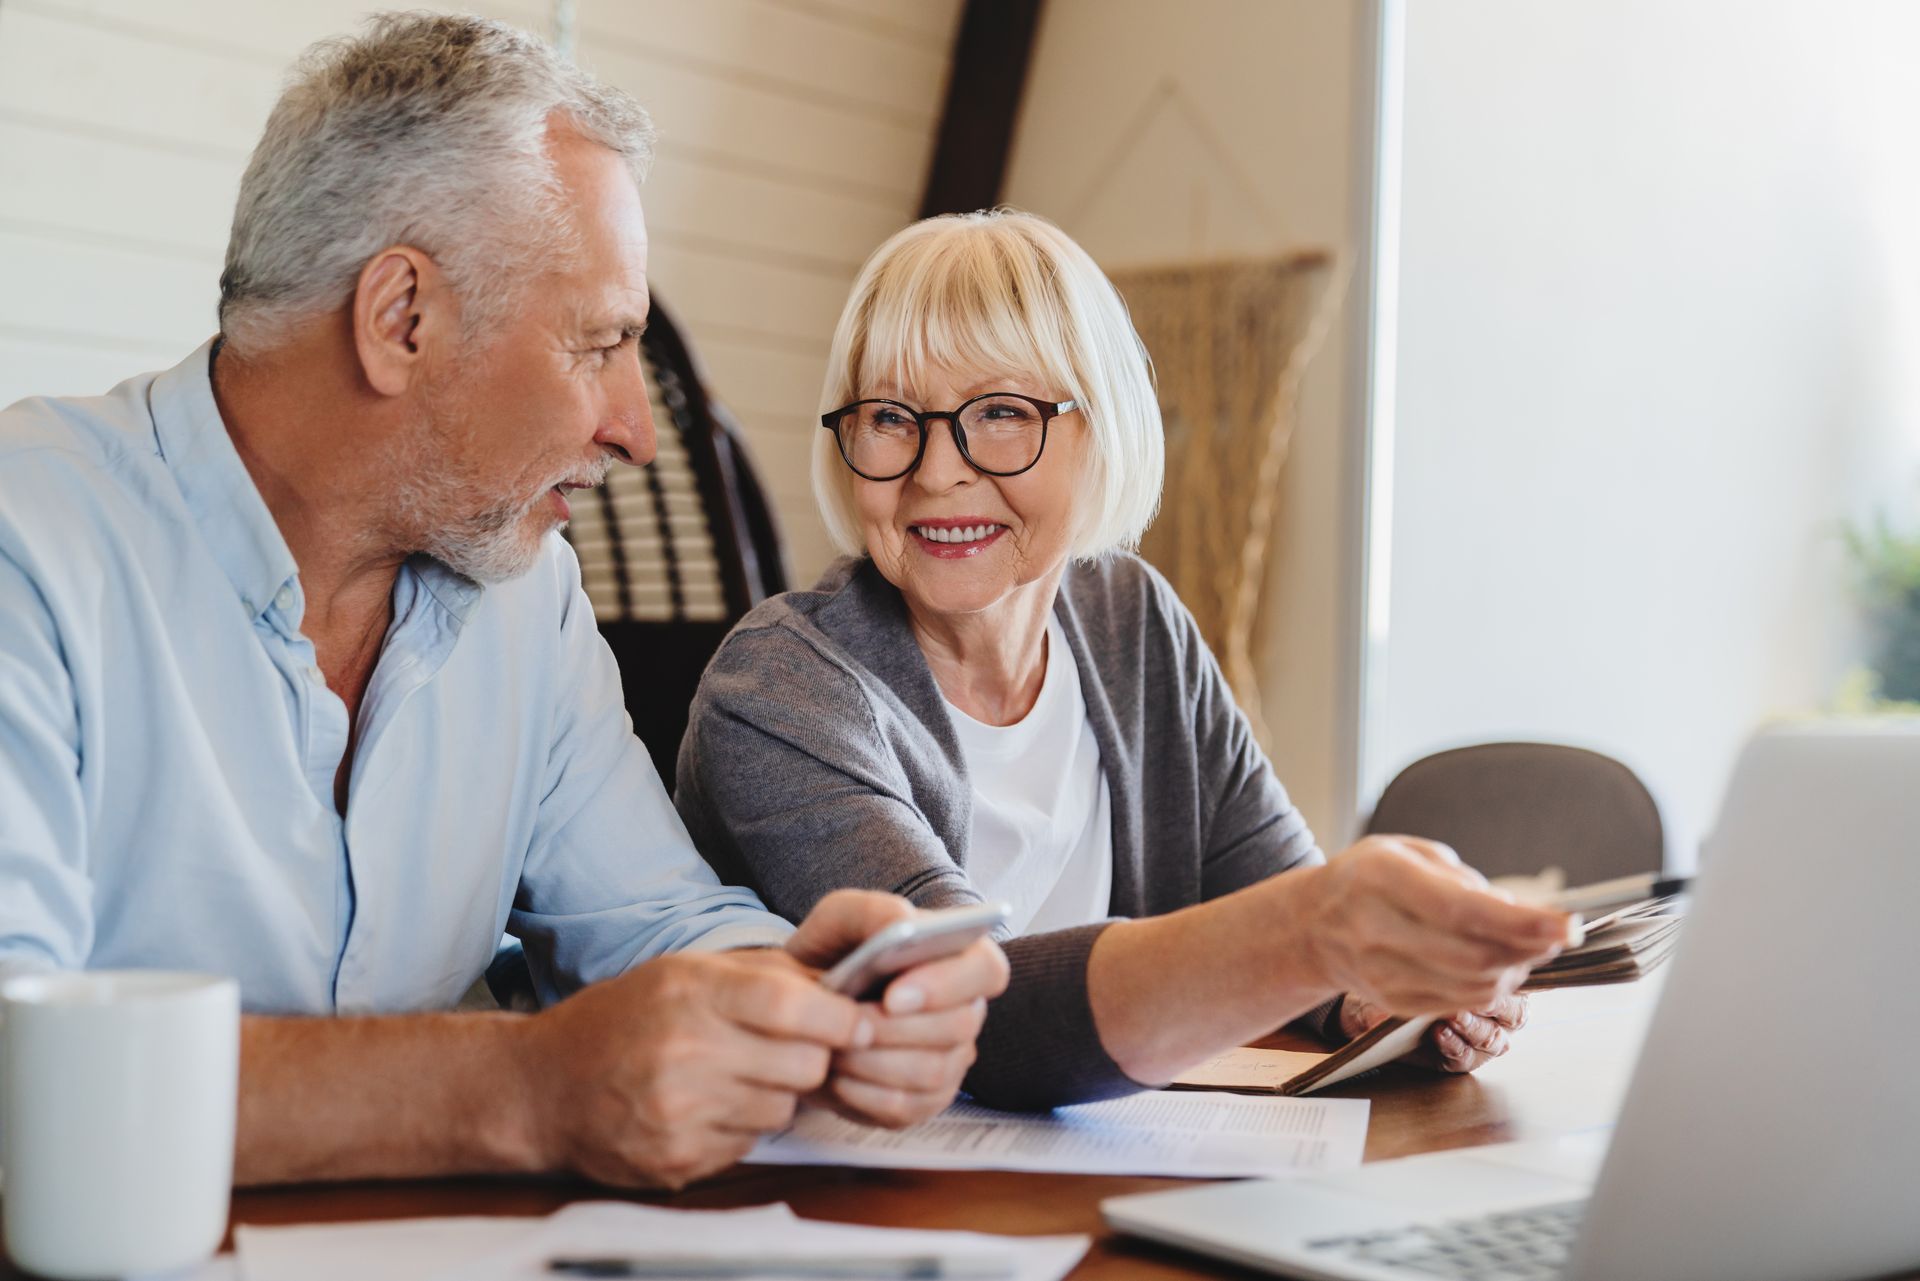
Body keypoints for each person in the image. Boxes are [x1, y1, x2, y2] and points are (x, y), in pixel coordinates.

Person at [0, 14, 1005, 1189]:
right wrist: (524, 1088)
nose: (635, 428)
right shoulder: (32, 547)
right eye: (600, 345)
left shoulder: (525, 595)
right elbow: (21, 1071)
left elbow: (655, 926)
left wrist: (819, 1005)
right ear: (401, 319)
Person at [675, 210, 1574, 1109]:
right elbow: (969, 1012)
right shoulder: (777, 689)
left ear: (1097, 431)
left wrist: (1376, 991)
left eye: (999, 413)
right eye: (890, 417)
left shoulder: (1134, 621)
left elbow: (1280, 891)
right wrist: (1323, 934)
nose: (937, 471)